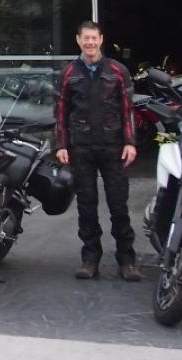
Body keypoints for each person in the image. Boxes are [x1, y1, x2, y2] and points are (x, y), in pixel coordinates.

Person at [54, 21, 142, 281]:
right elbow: (60, 112)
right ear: (78, 40)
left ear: (101, 40)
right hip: (81, 148)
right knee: (86, 206)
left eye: (94, 38)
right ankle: (90, 259)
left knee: (119, 206)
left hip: (113, 146)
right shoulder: (68, 72)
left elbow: (127, 110)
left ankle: (127, 260)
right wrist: (61, 145)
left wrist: (130, 142)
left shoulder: (117, 70)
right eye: (86, 39)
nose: (90, 43)